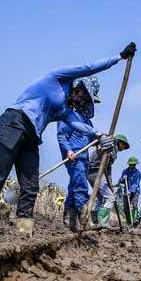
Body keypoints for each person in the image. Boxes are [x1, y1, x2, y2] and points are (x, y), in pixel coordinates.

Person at [0, 42, 137, 236]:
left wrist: (99, 135)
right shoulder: (57, 78)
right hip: (14, 122)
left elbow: (76, 125)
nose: (81, 99)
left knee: (31, 184)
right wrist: (118, 57)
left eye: (84, 100)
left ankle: (24, 230)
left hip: (32, 137)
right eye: (83, 94)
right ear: (79, 86)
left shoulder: (65, 110)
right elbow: (87, 68)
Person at [56, 76, 99, 232]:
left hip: (83, 155)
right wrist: (68, 150)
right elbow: (61, 135)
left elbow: (93, 134)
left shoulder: (85, 118)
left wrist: (100, 143)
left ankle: (69, 221)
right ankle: (85, 220)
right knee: (80, 186)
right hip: (74, 155)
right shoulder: (68, 113)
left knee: (74, 187)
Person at [88, 134, 130, 228]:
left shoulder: (111, 152)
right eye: (124, 146)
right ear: (120, 143)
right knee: (110, 198)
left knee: (101, 199)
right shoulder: (109, 146)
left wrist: (111, 186)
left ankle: (95, 222)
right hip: (96, 172)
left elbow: (108, 171)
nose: (123, 148)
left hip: (92, 174)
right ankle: (103, 223)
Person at [119, 156, 141, 225]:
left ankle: (135, 220)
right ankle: (129, 222)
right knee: (126, 208)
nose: (132, 166)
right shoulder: (125, 171)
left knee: (135, 205)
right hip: (126, 192)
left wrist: (131, 191)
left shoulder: (137, 173)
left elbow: (136, 183)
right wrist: (123, 178)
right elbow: (120, 181)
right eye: (131, 164)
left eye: (133, 165)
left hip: (135, 192)